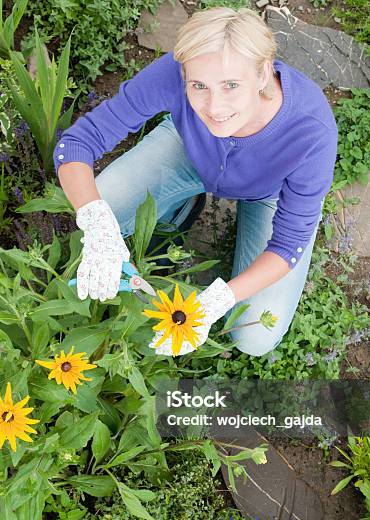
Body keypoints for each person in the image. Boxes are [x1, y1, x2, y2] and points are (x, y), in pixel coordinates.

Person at [54, 7, 338, 357]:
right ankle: (181, 206)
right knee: (105, 199)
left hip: (271, 192)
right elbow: (77, 143)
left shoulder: (312, 130)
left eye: (231, 85)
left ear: (263, 73)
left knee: (253, 338)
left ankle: (184, 208)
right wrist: (96, 222)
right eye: (198, 86)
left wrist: (221, 298)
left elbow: (287, 244)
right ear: (184, 74)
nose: (215, 106)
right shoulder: (176, 71)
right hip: (191, 149)